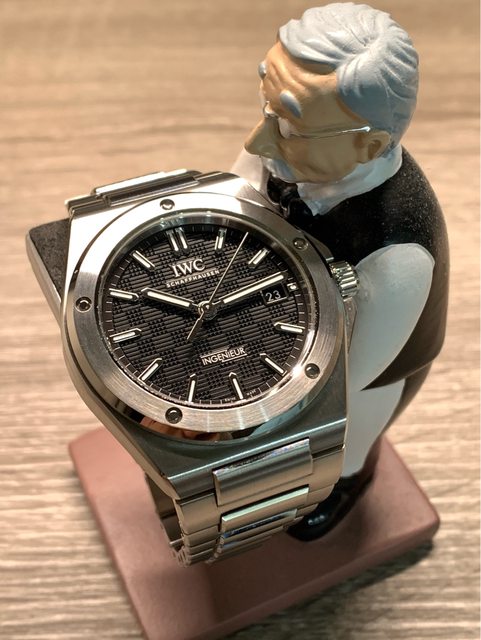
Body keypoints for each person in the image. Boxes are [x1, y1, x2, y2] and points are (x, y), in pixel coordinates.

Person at [231, 2, 449, 539]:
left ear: (368, 144)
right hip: (280, 319)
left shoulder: (399, 249)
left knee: (346, 434)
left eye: (288, 127)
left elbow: (356, 368)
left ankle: (343, 482)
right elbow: (234, 206)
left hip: (368, 372)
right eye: (268, 113)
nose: (258, 141)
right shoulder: (282, 153)